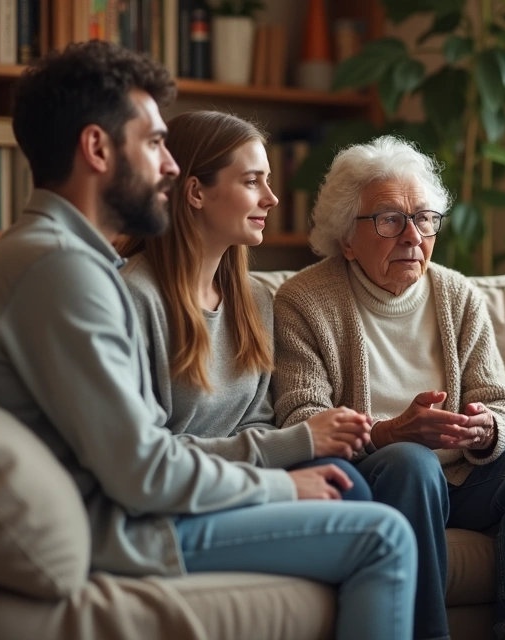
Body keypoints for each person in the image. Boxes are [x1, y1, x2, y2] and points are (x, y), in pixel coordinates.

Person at [0, 41, 415, 639]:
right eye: (154, 144)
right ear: (96, 148)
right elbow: (142, 468)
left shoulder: (62, 261)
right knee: (382, 533)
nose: (168, 167)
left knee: (355, 497)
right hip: (112, 526)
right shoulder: (62, 272)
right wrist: (282, 483)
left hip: (119, 509)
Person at [272, 135, 505, 640]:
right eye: (390, 219)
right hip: (382, 474)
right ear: (347, 237)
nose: (413, 235)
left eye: (425, 218)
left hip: (462, 480)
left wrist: (486, 428)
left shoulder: (458, 295)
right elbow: (300, 420)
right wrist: (390, 433)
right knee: (411, 462)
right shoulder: (304, 300)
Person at [119, 110, 370, 500]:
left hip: (245, 484)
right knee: (377, 528)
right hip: (180, 498)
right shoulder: (135, 298)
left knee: (346, 483)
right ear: (196, 192)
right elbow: (146, 455)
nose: (271, 199)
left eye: (267, 181)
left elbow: (258, 424)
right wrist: (300, 442)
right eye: (252, 181)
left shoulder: (254, 299)